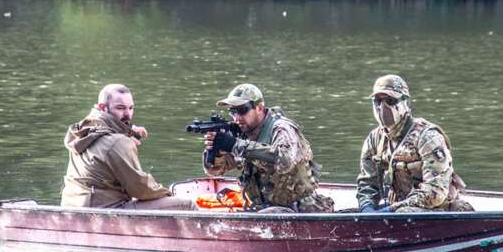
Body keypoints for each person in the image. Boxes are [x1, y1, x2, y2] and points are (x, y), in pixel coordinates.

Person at [61, 84, 196, 210]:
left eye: (130, 108)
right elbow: (141, 189)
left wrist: (127, 131)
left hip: (73, 206)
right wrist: (168, 194)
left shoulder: (83, 131)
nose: (127, 114)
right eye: (120, 108)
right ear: (103, 107)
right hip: (106, 211)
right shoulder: (118, 142)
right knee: (187, 205)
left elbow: (107, 131)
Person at [202, 83, 334, 213]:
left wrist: (235, 145)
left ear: (259, 108)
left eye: (242, 110)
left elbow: (285, 161)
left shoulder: (281, 128)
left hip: (299, 210)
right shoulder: (243, 132)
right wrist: (216, 152)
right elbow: (215, 171)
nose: (237, 118)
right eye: (232, 112)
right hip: (262, 209)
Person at [356, 75, 472, 213]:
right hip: (398, 209)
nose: (383, 107)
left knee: (402, 214)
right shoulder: (374, 139)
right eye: (377, 101)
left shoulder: (427, 137)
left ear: (406, 103)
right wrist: (366, 208)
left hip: (437, 210)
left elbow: (435, 191)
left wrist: (391, 210)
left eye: (390, 101)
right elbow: (367, 182)